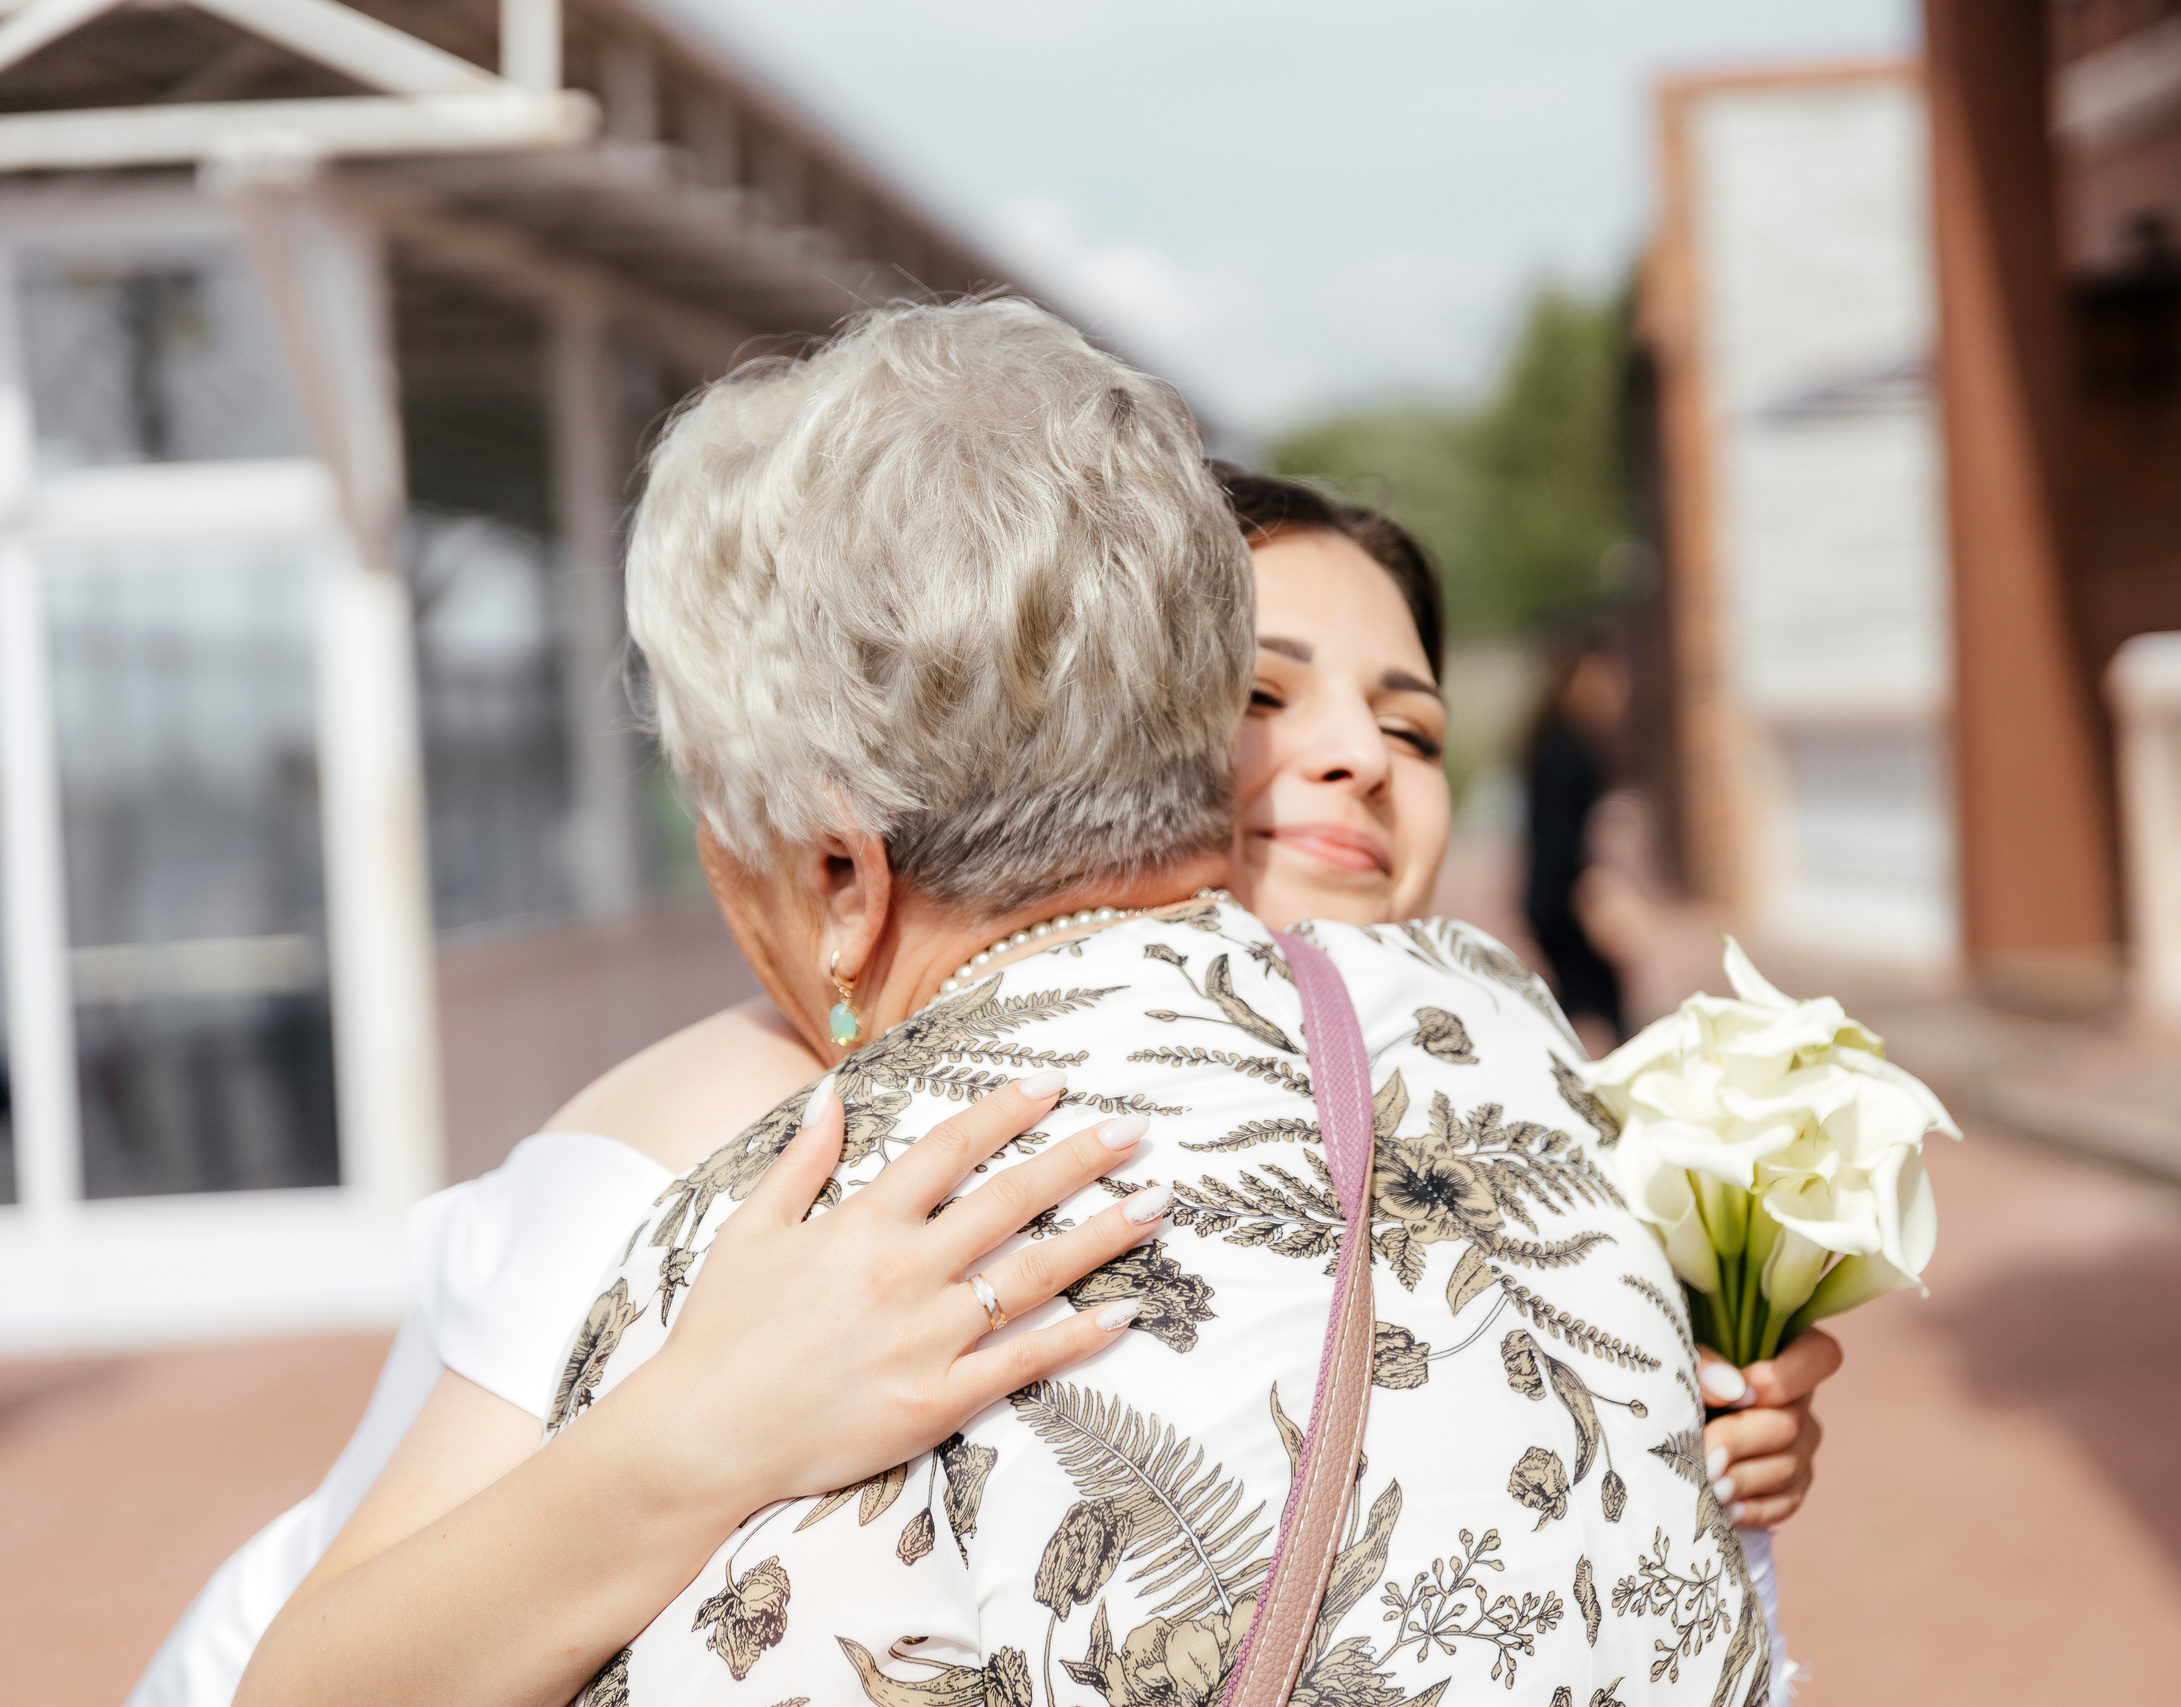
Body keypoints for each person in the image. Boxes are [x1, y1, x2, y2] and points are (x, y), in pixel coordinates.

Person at [147, 312, 1829, 1706]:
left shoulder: (780, 1198)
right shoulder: (1506, 1040)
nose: (1349, 764)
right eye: (1267, 690)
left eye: (1414, 724)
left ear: (841, 876)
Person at [1523, 636, 1632, 1054]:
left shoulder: (1552, 745)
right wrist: (1592, 899)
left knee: (1580, 1001)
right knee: (1599, 1002)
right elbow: (1562, 840)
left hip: (1549, 897)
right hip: (1561, 900)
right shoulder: (1567, 753)